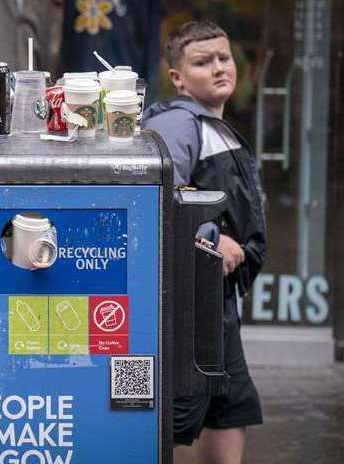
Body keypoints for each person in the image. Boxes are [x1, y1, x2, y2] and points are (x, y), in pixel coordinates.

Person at [143, 20, 266, 464]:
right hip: (193, 304)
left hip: (217, 300)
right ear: (177, 77)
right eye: (203, 62)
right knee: (177, 418)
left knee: (230, 410)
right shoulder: (179, 123)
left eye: (224, 58)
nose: (219, 68)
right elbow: (161, 192)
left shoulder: (212, 124)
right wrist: (213, 240)